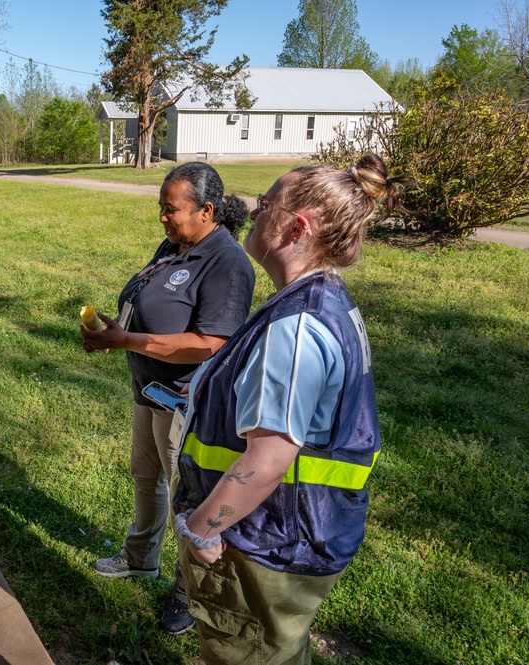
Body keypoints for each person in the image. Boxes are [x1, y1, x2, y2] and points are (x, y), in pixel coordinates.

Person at [173, 154, 405, 663]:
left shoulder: (296, 327)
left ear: (297, 228)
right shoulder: (324, 299)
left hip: (265, 544)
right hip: (299, 533)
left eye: (267, 204)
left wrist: (200, 528)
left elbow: (268, 458)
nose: (253, 212)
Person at [81, 162, 256, 634]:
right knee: (146, 478)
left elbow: (211, 344)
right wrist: (113, 335)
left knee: (187, 499)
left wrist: (130, 342)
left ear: (207, 210)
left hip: (185, 403)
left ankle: (188, 593)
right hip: (149, 391)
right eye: (161, 207)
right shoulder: (176, 245)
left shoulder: (227, 264)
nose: (162, 218)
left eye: (170, 209)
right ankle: (141, 559)